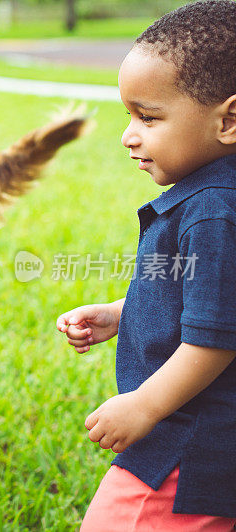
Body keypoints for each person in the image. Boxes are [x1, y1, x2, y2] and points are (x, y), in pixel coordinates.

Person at [56, 1, 236, 529]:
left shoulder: (213, 212)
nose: (128, 135)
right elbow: (207, 295)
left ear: (228, 120)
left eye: (148, 117)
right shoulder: (212, 197)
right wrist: (122, 313)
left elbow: (217, 335)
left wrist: (145, 406)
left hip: (184, 450)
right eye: (128, 117)